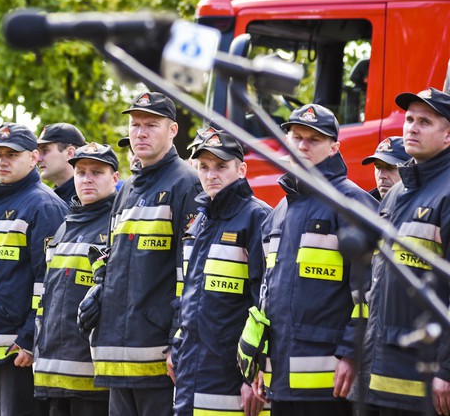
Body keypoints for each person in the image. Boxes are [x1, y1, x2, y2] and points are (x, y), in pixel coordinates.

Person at [249, 104, 377, 416]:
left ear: (334, 147)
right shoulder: (279, 211)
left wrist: (350, 353)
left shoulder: (351, 203)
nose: (303, 145)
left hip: (331, 382)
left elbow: (370, 288)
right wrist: (260, 362)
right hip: (280, 378)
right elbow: (267, 294)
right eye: (297, 137)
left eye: (314, 139)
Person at [83, 91, 201, 416]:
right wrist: (99, 291)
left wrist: (179, 339)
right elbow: (115, 261)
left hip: (159, 354)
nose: (140, 132)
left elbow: (191, 273)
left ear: (173, 130)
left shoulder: (187, 184)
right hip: (119, 354)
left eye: (151, 124)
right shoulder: (128, 191)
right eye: (135, 124)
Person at [0, 123, 68, 415]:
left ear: (33, 158)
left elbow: (51, 283)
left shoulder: (44, 206)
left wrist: (29, 339)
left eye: (11, 154)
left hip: (18, 353)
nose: (1, 161)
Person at [354, 88, 450, 416]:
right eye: (409, 119)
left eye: (424, 121)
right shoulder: (395, 194)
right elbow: (376, 283)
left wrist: (447, 371)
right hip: (378, 371)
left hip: (422, 377)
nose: (411, 127)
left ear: (448, 135)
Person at [171, 131, 271, 416]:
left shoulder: (257, 217)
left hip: (232, 372)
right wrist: (177, 345)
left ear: (241, 170)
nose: (211, 174)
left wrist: (251, 375)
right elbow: (190, 297)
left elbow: (264, 303)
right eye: (204, 166)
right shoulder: (200, 220)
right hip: (192, 366)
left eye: (220, 166)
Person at [34, 142, 120, 416]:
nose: (87, 179)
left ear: (115, 178)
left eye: (97, 172)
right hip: (53, 372)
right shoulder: (64, 227)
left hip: (92, 374)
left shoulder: (117, 224)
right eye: (81, 172)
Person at [37, 123, 87, 205]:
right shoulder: (48, 198)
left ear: (70, 153)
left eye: (45, 150)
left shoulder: (89, 196)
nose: (38, 159)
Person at [360, 136, 409, 201]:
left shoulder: (423, 206)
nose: (381, 175)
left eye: (390, 167)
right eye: (378, 167)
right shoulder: (365, 205)